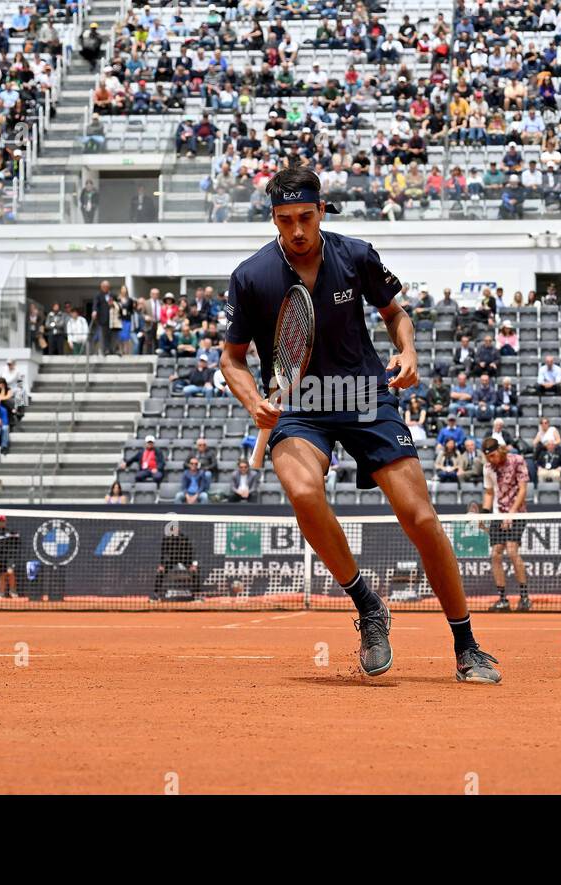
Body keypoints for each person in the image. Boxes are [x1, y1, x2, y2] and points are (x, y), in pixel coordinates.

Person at [219, 166, 500, 683]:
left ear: (322, 210)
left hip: (366, 395)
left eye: (305, 217)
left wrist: (408, 349)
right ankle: (369, 607)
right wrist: (251, 399)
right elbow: (231, 358)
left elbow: (395, 314)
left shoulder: (356, 255)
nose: (297, 231)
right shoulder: (251, 277)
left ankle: (466, 644)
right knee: (303, 493)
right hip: (299, 404)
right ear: (273, 221)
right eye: (285, 221)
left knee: (418, 516)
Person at [481, 437, 531, 612]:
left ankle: (525, 598)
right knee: (495, 554)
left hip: (517, 513)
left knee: (511, 550)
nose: (492, 460)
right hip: (497, 513)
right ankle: (503, 599)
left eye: (493, 456)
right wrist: (484, 514)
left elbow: (523, 489)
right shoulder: (487, 467)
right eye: (489, 457)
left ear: (500, 451)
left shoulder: (517, 460)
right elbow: (489, 492)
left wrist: (511, 513)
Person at [153, 521, 199, 600]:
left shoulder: (184, 538)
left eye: (176, 529)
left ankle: (197, 595)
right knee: (160, 572)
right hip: (172, 559)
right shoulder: (166, 539)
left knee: (195, 572)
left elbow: (191, 551)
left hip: (185, 558)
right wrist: (161, 565)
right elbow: (163, 553)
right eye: (172, 529)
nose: (174, 531)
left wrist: (193, 564)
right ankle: (156, 595)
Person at [0, 515, 21, 600]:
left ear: (5, 522)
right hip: (0, 558)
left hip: (10, 556)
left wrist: (13, 536)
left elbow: (17, 539)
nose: (1, 523)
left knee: (10, 572)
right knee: (1, 575)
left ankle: (12, 592)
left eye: (2, 521)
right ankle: (2, 594)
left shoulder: (10, 532)